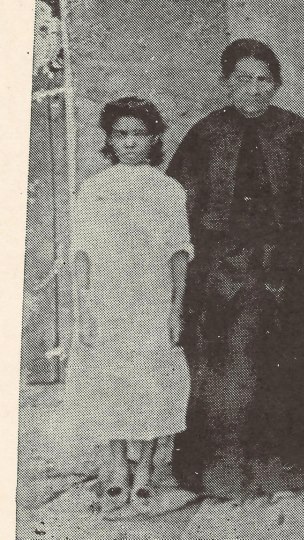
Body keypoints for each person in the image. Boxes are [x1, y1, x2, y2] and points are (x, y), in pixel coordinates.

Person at [167, 39, 304, 499]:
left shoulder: (295, 132)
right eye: (244, 79)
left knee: (284, 363)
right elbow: (179, 205)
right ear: (227, 82)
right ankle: (220, 471)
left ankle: (284, 471)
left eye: (264, 80)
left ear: (277, 85)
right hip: (220, 269)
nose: (254, 89)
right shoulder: (206, 134)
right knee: (226, 366)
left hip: (284, 267)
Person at [67, 97, 192, 517]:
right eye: (121, 134)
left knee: (152, 380)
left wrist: (175, 308)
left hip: (151, 298)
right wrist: (84, 308)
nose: (130, 142)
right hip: (109, 299)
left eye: (139, 134)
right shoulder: (94, 189)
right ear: (109, 138)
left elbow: (178, 253)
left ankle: (146, 469)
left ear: (154, 139)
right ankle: (118, 465)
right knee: (112, 380)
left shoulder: (168, 190)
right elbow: (82, 253)